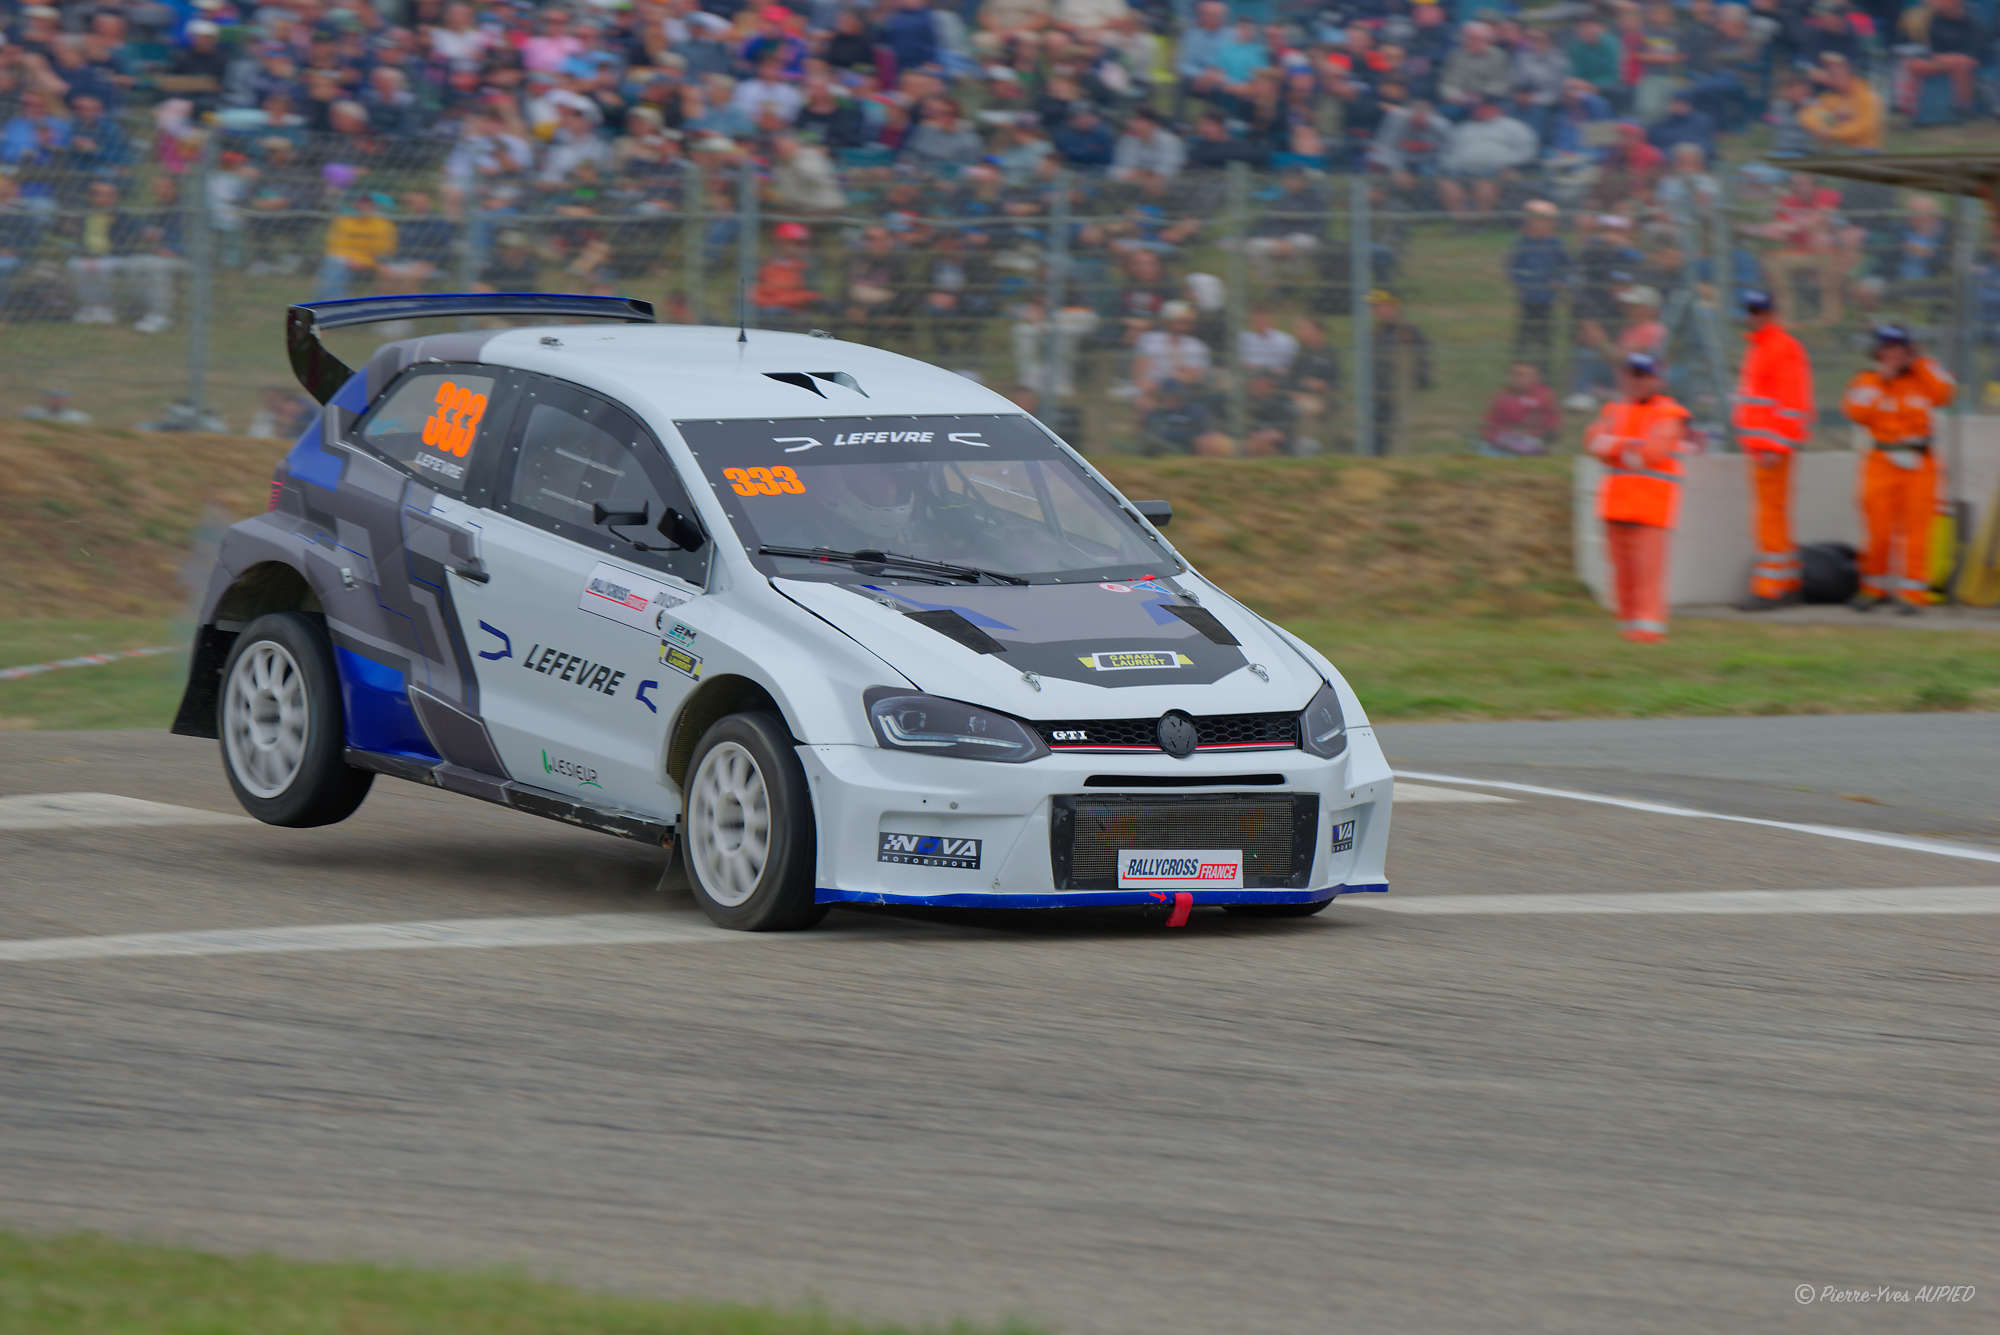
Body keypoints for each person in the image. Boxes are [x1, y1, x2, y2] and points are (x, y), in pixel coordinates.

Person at [1841, 325, 1956, 613]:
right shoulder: (1867, 380)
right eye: (1888, 348)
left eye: (1900, 348)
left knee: (1917, 529)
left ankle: (1912, 594)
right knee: (1878, 529)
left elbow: (1945, 393)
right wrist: (1882, 381)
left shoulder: (1926, 373)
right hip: (1881, 462)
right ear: (1878, 352)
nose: (1894, 354)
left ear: (1909, 350)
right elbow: (1855, 411)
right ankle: (1873, 588)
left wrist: (1917, 364)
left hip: (1920, 463)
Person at [1586, 353, 1692, 642]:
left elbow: (1651, 454)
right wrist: (1629, 448)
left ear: (1657, 378)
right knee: (1622, 576)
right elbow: (1593, 442)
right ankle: (1628, 630)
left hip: (1651, 508)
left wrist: (1614, 447)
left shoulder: (1670, 413)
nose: (1635, 380)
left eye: (1643, 374)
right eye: (1631, 374)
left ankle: (1649, 631)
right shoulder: (1614, 410)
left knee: (1647, 575)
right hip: (1616, 506)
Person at [1732, 290, 1814, 609]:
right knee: (1774, 513)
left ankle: (1769, 587)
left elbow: (1792, 402)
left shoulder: (1781, 346)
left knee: (1770, 515)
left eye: (1760, 310)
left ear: (1772, 312)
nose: (1754, 315)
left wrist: (1774, 445)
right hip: (1763, 447)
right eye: (1751, 310)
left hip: (1770, 449)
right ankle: (1788, 581)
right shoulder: (1760, 346)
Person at [1481, 362, 1559, 456]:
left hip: (1532, 441)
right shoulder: (1502, 396)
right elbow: (1489, 424)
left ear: (1536, 377)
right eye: (1515, 374)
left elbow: (1552, 424)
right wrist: (1493, 437)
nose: (1519, 379)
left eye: (1524, 375)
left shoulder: (1544, 396)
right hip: (1502, 441)